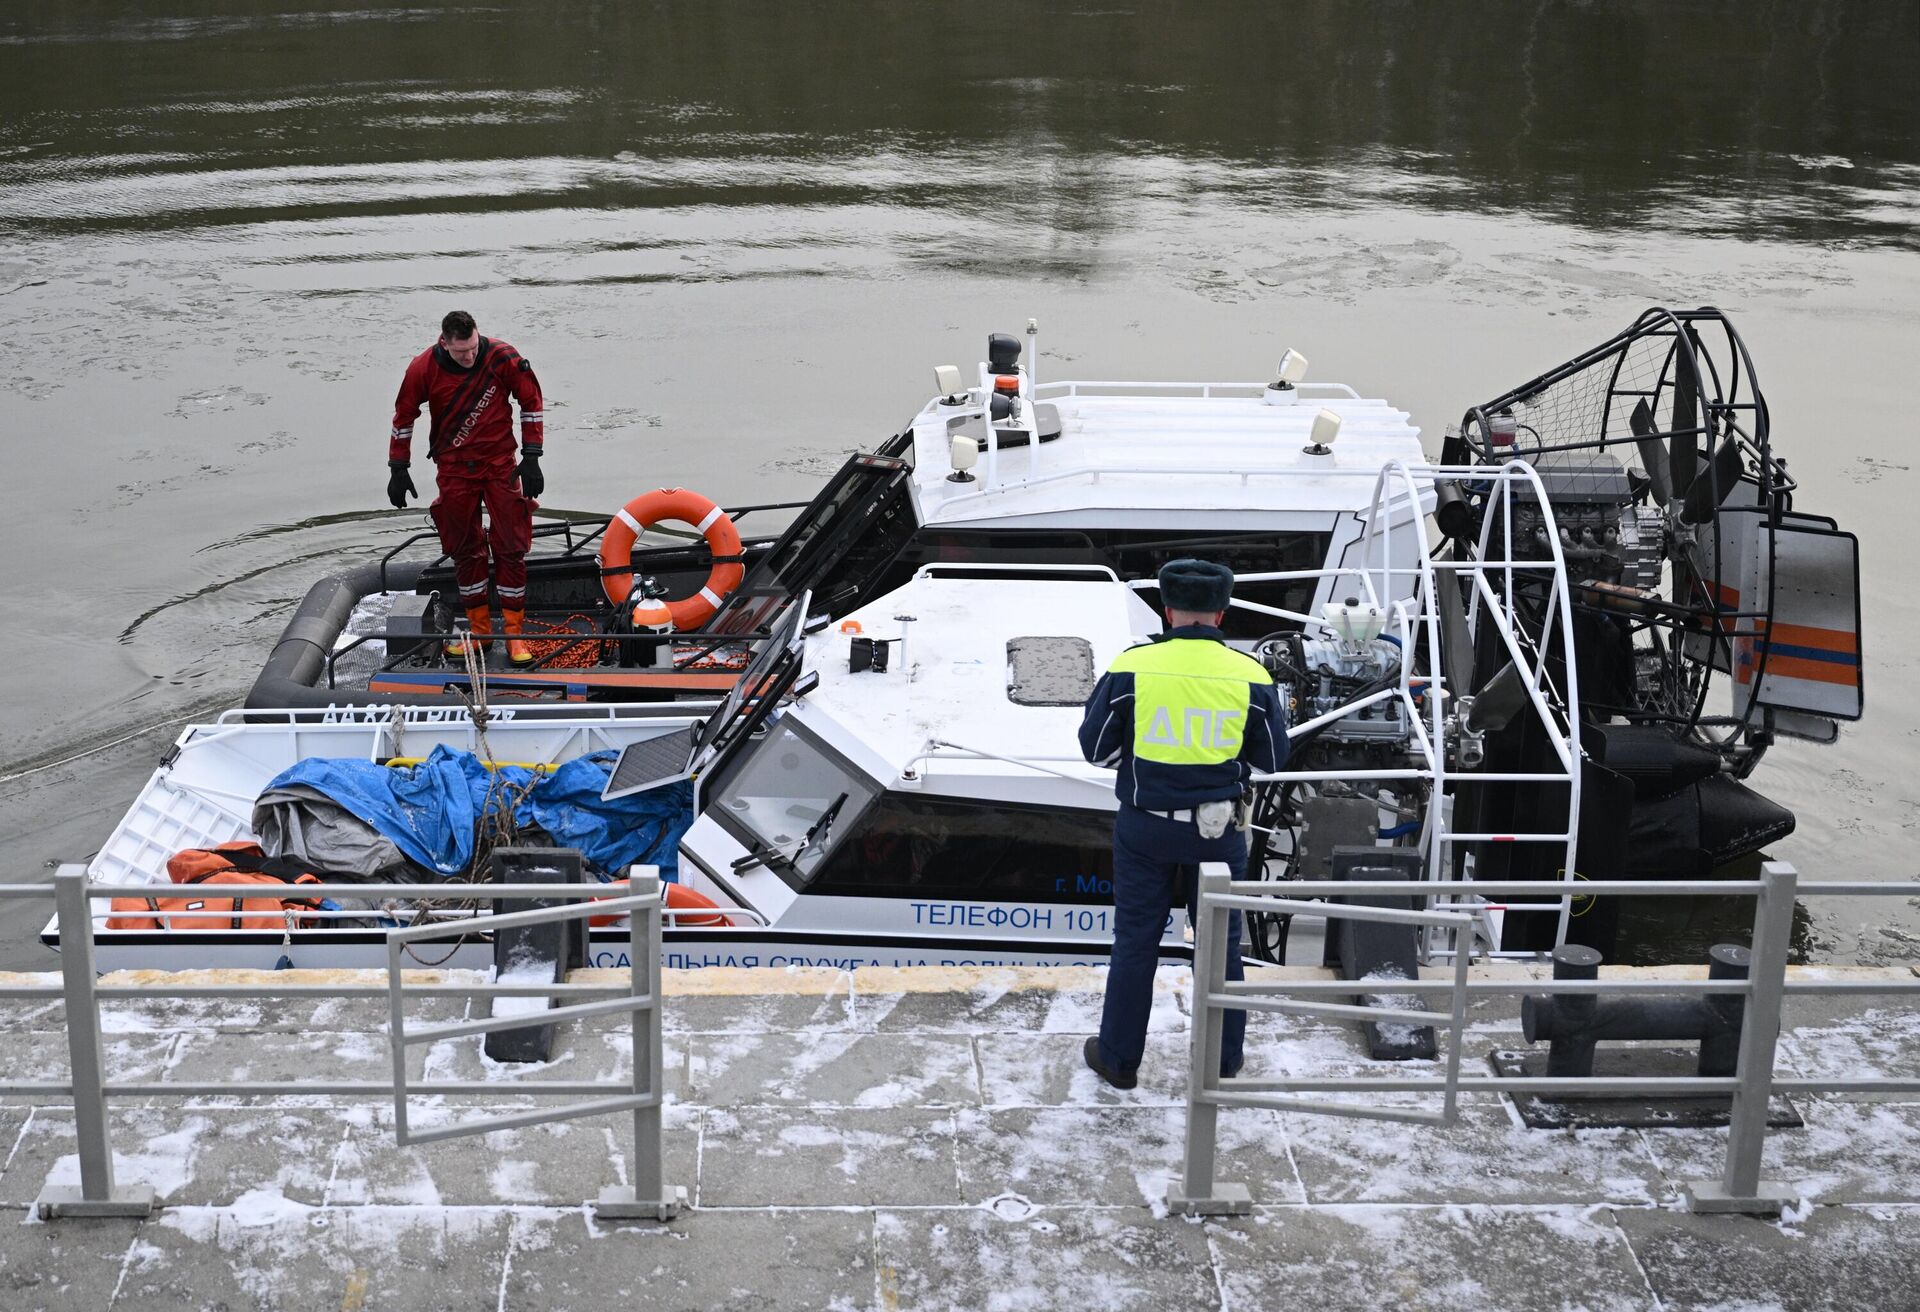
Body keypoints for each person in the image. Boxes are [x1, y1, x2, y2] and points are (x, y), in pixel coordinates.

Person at [1077, 558, 1289, 1089]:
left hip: (1145, 828)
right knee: (1221, 946)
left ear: (1168, 610)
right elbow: (1269, 764)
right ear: (1222, 612)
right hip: (1219, 836)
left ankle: (1120, 1060)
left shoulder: (1132, 667)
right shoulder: (1252, 676)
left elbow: (1097, 752)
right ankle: (1222, 1060)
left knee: (1135, 944)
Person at [386, 310, 546, 665]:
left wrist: (532, 455)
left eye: (473, 348)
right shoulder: (422, 368)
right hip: (454, 467)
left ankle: (515, 634)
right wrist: (398, 466)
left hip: (500, 462)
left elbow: (531, 402)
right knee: (465, 548)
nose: (469, 357)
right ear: (444, 342)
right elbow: (404, 416)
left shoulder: (502, 357)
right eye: (461, 353)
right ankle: (479, 630)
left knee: (511, 545)